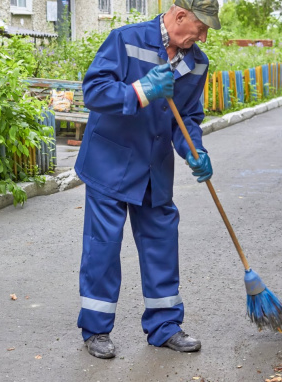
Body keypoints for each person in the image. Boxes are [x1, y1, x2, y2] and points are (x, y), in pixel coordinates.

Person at [73, 0, 221, 359]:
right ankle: (96, 329)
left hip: (154, 168)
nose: (202, 36)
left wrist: (194, 151)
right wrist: (138, 92)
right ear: (180, 14)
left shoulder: (196, 62)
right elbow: (93, 91)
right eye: (200, 27)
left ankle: (165, 326)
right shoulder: (125, 40)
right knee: (104, 246)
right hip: (109, 162)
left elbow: (187, 119)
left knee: (161, 242)